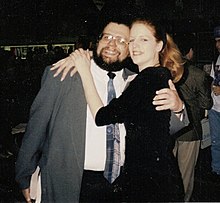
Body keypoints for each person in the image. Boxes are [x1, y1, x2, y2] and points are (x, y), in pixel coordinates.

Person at [15, 6, 187, 203]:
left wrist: (178, 108)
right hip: (75, 182)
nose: (113, 44)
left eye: (123, 40)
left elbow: (167, 128)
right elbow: (35, 128)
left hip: (125, 184)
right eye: (107, 37)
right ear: (97, 42)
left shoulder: (135, 80)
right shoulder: (63, 75)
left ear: (128, 51)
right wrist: (24, 176)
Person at [72, 16, 185, 201]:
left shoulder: (147, 79)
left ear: (159, 45)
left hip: (151, 181)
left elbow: (102, 117)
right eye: (131, 40)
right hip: (155, 175)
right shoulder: (151, 76)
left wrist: (85, 71)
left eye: (144, 39)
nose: (135, 45)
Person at [168, 34, 213, 201]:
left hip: (170, 129)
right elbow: (206, 104)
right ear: (190, 52)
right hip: (190, 130)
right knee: (185, 173)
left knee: (169, 170)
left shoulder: (167, 69)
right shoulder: (198, 74)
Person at [209, 25, 220, 178]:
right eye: (216, 41)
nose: (217, 45)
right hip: (215, 108)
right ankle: (216, 169)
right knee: (216, 142)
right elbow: (212, 79)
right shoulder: (216, 59)